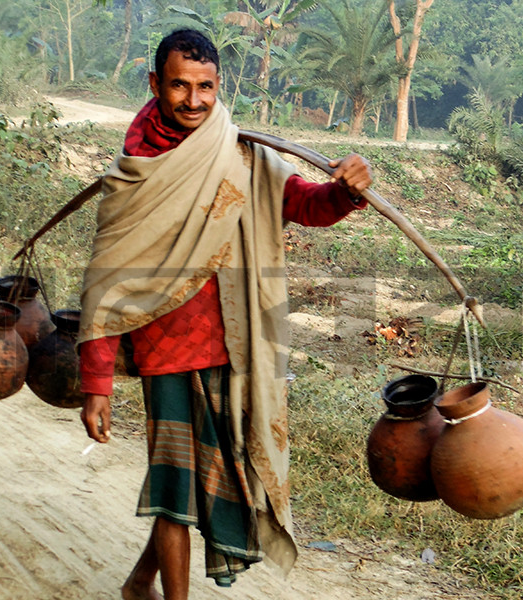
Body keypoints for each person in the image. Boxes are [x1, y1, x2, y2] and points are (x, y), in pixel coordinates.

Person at [77, 28, 373, 599]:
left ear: (220, 84)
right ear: (155, 83)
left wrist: (346, 190)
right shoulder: (135, 173)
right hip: (164, 351)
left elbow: (307, 206)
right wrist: (97, 383)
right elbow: (106, 283)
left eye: (206, 87)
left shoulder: (242, 153)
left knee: (201, 486)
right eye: (180, 86)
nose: (194, 101)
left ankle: (140, 582)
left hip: (235, 349)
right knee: (172, 489)